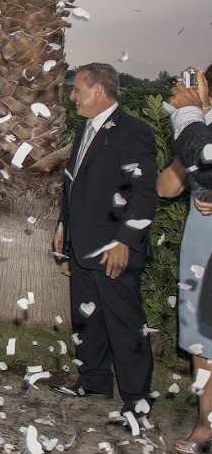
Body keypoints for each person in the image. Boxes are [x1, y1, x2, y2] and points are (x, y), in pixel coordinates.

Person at [51, 63, 158, 424]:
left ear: (99, 90)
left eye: (77, 89)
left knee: (125, 324)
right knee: (87, 319)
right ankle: (94, 381)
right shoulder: (86, 129)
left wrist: (125, 240)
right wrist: (64, 224)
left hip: (113, 248)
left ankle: (137, 401)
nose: (73, 95)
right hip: (81, 244)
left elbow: (143, 193)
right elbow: (74, 183)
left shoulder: (134, 132)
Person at [162, 65, 212, 454]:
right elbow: (166, 188)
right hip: (200, 246)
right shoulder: (199, 139)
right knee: (201, 343)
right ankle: (204, 424)